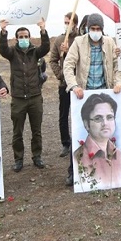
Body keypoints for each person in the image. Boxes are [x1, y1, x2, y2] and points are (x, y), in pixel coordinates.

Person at [63, 13, 121, 186]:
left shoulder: (110, 42)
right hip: (84, 94)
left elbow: (117, 66)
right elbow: (68, 65)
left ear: (102, 30)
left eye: (98, 29)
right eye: (93, 29)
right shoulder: (78, 43)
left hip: (105, 93)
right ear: (87, 29)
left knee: (106, 132)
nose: (95, 32)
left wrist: (118, 83)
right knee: (79, 133)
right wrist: (74, 86)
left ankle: (112, 170)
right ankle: (74, 172)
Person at [0, 18, 50, 172]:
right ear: (16, 39)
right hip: (18, 99)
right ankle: (18, 159)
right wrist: (3, 32)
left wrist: (43, 30)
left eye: (25, 36)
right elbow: (2, 49)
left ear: (29, 37)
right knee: (17, 132)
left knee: (37, 131)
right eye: (20, 37)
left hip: (35, 97)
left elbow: (46, 47)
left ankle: (37, 157)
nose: (23, 39)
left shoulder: (35, 52)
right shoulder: (12, 53)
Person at [73, 93, 121, 189]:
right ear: (86, 124)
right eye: (98, 118)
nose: (105, 123)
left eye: (110, 117)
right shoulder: (78, 159)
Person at [49, 12, 80, 158]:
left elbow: (81, 61)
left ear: (75, 24)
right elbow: (53, 60)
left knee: (80, 114)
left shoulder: (81, 40)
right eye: (65, 22)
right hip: (64, 85)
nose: (67, 25)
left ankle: (80, 141)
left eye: (69, 22)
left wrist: (69, 52)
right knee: (64, 114)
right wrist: (61, 75)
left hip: (79, 84)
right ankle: (65, 143)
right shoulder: (59, 40)